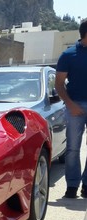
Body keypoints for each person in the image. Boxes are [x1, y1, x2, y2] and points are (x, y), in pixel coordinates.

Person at [56, 19, 87, 198]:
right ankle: (72, 185)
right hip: (75, 106)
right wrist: (70, 104)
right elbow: (59, 84)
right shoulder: (68, 55)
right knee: (73, 148)